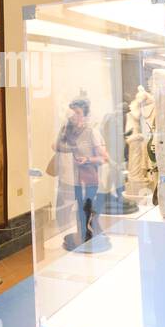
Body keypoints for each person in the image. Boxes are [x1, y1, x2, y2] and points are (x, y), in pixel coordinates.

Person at [53, 97, 108, 249]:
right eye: (72, 112)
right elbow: (56, 146)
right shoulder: (67, 132)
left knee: (87, 210)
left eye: (77, 112)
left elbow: (104, 158)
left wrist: (88, 159)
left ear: (84, 114)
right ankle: (84, 235)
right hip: (71, 181)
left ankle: (91, 234)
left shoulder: (92, 132)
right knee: (80, 210)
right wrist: (65, 135)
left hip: (89, 180)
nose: (74, 116)